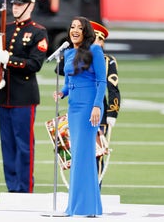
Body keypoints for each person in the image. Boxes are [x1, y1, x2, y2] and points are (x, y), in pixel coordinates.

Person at [0, 0, 48, 193]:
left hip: (24, 96)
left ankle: (24, 189)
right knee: (7, 146)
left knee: (24, 146)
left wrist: (10, 60)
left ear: (30, 6)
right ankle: (12, 188)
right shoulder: (5, 29)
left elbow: (35, 64)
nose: (15, 8)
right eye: (14, 4)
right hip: (4, 95)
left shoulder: (38, 32)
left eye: (19, 4)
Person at [53, 16, 106, 216]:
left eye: (79, 27)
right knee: (77, 156)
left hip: (88, 108)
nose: (74, 30)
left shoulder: (95, 50)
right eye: (72, 26)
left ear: (86, 32)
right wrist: (62, 93)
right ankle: (76, 206)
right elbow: (68, 81)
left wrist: (97, 106)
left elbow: (101, 81)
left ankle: (86, 207)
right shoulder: (67, 52)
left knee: (84, 156)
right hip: (73, 107)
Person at [90, 21, 121, 188]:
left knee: (97, 155)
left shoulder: (107, 61)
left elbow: (113, 89)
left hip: (99, 114)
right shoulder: (78, 56)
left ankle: (95, 190)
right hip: (80, 110)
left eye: (97, 40)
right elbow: (59, 70)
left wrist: (112, 113)